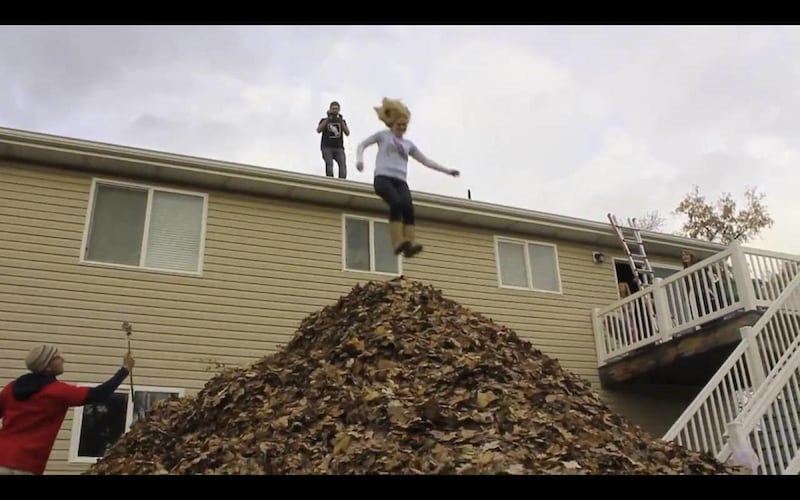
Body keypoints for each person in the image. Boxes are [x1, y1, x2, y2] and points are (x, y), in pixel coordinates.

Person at [0, 344, 134, 475]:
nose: (63, 359)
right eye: (57, 357)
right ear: (47, 367)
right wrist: (124, 370)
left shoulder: (11, 388)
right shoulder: (57, 391)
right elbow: (99, 393)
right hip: (25, 464)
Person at [355, 98, 460, 258]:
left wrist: (447, 171)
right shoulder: (383, 136)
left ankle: (409, 243)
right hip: (383, 178)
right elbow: (362, 145)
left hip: (400, 180)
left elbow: (425, 161)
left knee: (408, 207)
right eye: (399, 124)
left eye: (405, 125)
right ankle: (397, 241)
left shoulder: (408, 144)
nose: (402, 127)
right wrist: (360, 161)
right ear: (392, 123)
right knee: (396, 203)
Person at [317, 101, 350, 179]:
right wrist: (328, 118)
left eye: (336, 109)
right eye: (333, 109)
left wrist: (341, 121)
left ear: (339, 110)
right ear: (330, 109)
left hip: (339, 148)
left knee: (342, 166)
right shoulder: (324, 120)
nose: (335, 110)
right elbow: (318, 130)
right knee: (329, 165)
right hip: (327, 147)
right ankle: (330, 181)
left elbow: (347, 132)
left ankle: (342, 182)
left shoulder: (341, 121)